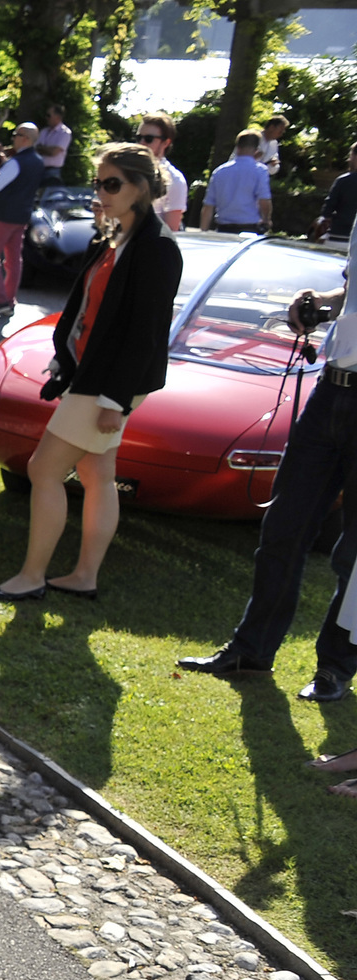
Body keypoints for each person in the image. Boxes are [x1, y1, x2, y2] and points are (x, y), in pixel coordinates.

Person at [0, 144, 182, 603]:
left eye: (112, 184)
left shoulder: (157, 247)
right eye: (98, 183)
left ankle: (32, 576)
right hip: (94, 375)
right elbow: (86, 312)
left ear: (141, 187)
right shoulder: (114, 237)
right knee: (97, 473)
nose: (102, 192)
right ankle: (84, 576)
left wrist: (115, 401)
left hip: (111, 384)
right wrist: (65, 358)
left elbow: (145, 333)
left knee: (43, 469)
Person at [179, 235, 357, 701]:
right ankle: (252, 651)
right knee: (284, 528)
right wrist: (322, 302)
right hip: (331, 391)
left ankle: (336, 667)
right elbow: (350, 290)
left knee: (354, 555)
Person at [0, 121, 44, 317]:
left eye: (16, 135)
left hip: (3, 216)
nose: (13, 138)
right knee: (14, 260)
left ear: (24, 138)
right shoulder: (37, 161)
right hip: (21, 216)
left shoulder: (17, 162)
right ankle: (9, 300)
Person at [202, 131, 272, 233]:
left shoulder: (219, 171)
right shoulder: (260, 171)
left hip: (223, 228)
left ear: (237, 147)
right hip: (249, 229)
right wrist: (266, 219)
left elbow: (208, 206)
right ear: (256, 149)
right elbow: (264, 200)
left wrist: (203, 232)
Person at [136, 113, 188, 231]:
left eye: (148, 139)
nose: (142, 143)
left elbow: (171, 232)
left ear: (166, 143)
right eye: (139, 138)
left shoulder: (175, 180)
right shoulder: (127, 171)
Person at [317, 144, 357, 240]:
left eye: (350, 155)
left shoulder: (343, 181)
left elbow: (327, 210)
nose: (349, 159)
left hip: (340, 235)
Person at [36, 104, 70, 184]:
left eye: (48, 115)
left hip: (53, 172)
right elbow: (36, 148)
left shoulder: (64, 133)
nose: (46, 118)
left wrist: (42, 148)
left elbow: (54, 152)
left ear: (57, 117)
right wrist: (47, 149)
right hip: (38, 169)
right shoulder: (44, 131)